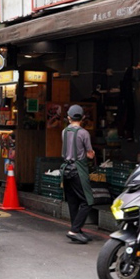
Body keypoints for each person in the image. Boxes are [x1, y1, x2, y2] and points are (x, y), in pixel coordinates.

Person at [60, 105, 95, 244]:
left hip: (66, 169)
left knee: (73, 202)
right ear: (83, 117)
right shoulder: (84, 133)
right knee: (88, 201)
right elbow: (90, 154)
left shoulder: (64, 132)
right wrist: (91, 154)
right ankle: (74, 230)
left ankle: (77, 230)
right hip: (78, 170)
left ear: (69, 117)